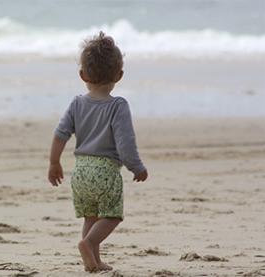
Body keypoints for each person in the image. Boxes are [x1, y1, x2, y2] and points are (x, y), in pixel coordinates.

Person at [47, 31, 148, 272]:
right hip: (105, 171)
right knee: (112, 216)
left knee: (90, 216)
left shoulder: (76, 103)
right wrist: (136, 166)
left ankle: (93, 260)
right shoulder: (118, 106)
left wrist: (54, 163)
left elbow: (60, 134)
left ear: (82, 74)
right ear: (119, 75)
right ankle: (89, 243)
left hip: (80, 171)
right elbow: (125, 143)